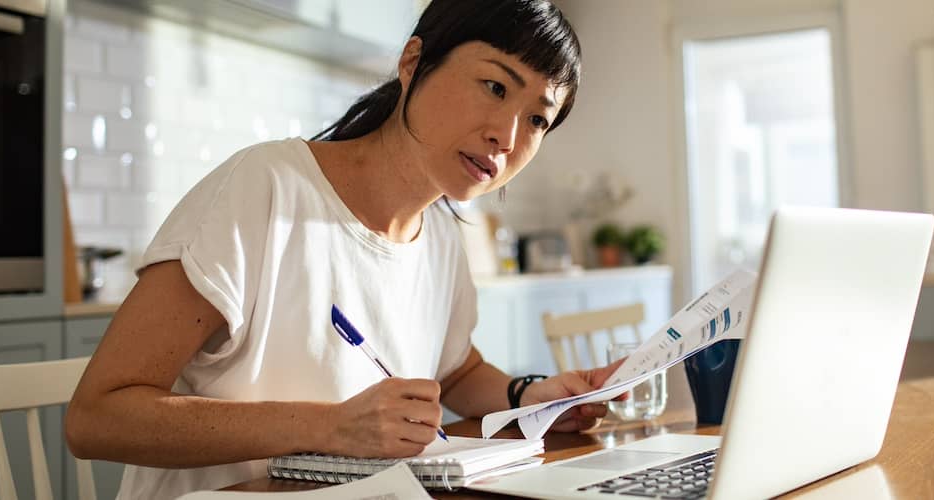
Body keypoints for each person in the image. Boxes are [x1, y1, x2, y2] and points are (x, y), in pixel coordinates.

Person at [65, 1, 621, 498]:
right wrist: (329, 426)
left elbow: (452, 371)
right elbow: (95, 419)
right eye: (496, 87)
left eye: (537, 119)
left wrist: (530, 397)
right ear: (413, 64)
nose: (507, 134)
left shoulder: (443, 235)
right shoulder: (266, 188)